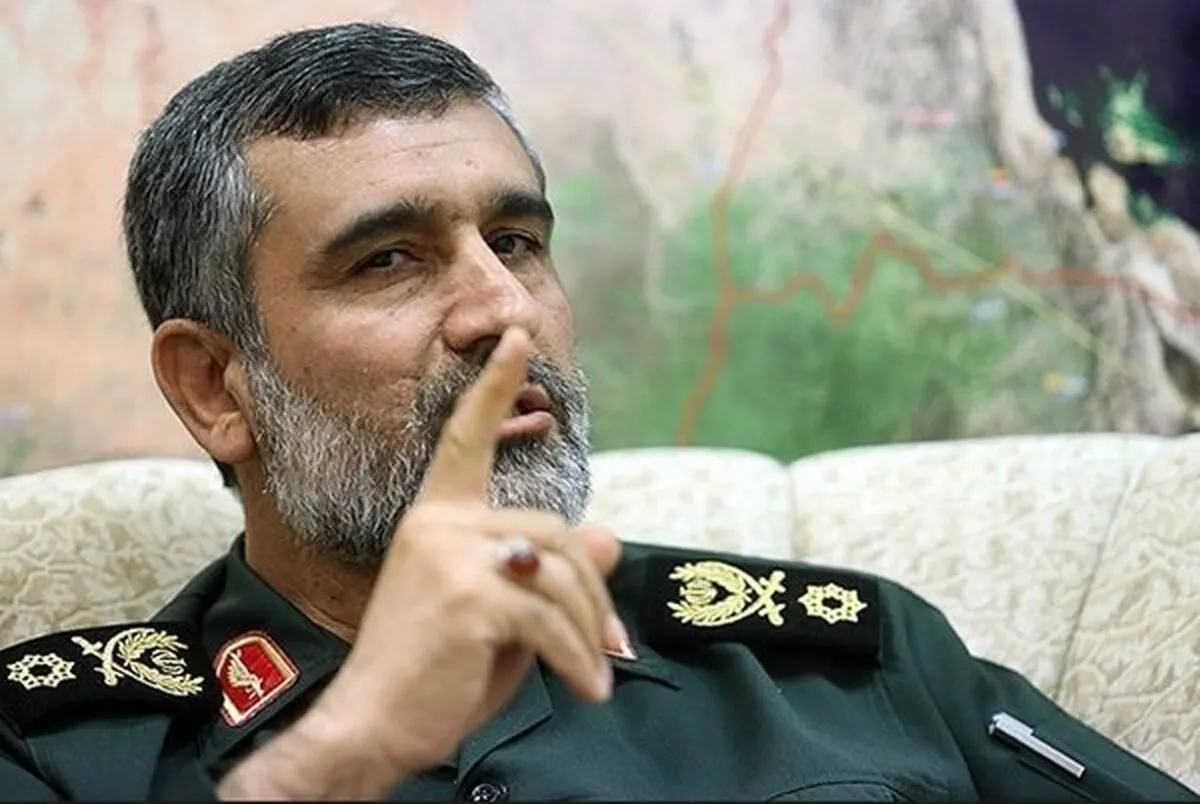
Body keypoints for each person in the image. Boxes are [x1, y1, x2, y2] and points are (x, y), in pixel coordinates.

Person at [0, 22, 1194, 802]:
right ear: (215, 386)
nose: (504, 312)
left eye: (518, 241)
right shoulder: (60, 752)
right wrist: (345, 751)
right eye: (388, 261)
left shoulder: (837, 664)